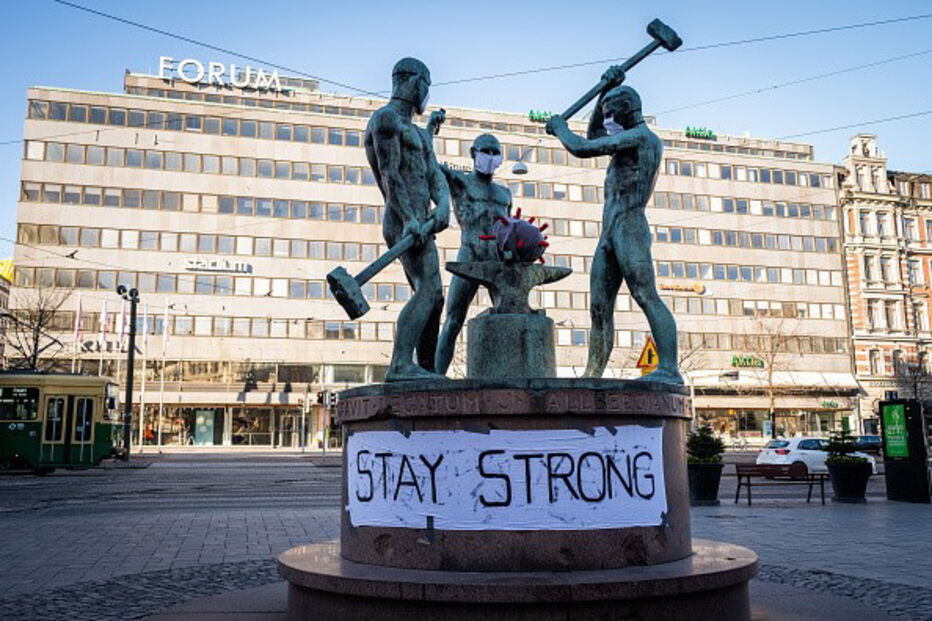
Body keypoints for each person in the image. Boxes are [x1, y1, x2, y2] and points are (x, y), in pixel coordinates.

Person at [546, 66, 682, 384]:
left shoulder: (642, 137)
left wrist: (560, 127)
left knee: (645, 294)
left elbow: (581, 147)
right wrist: (602, 95)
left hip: (631, 226)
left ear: (626, 110)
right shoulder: (624, 138)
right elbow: (595, 136)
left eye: (610, 112)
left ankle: (669, 369)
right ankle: (593, 373)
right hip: (609, 231)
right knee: (598, 306)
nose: (607, 119)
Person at [364, 58, 451, 381]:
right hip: (403, 221)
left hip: (422, 221)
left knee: (434, 296)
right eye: (426, 86)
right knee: (427, 290)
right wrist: (412, 218)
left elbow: (433, 174)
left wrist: (443, 205)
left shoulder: (416, 131)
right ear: (414, 82)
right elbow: (390, 174)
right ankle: (401, 364)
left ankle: (425, 369)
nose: (426, 95)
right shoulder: (386, 120)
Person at [425, 125, 512, 375]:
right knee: (453, 320)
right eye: (486, 150)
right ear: (473, 153)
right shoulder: (461, 182)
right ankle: (437, 377)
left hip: (498, 260)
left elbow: (511, 227)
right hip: (470, 254)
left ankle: (507, 371)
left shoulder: (505, 193)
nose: (491, 155)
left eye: (496, 151)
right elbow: (430, 162)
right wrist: (431, 128)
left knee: (508, 317)